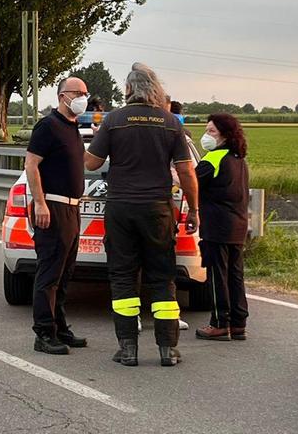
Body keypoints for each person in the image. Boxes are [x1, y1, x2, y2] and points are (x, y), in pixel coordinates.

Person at [85, 63, 199, 367]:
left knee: (122, 278)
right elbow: (186, 172)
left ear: (128, 90)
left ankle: (128, 348)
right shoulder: (170, 122)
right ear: (156, 89)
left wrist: (93, 140)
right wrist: (195, 209)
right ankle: (167, 349)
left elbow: (92, 163)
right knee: (162, 278)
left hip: (121, 208)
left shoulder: (114, 120)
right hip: (157, 209)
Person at [24, 77, 90, 355]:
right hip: (52, 207)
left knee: (64, 274)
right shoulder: (48, 126)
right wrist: (40, 203)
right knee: (49, 273)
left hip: (72, 208)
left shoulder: (72, 127)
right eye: (79, 93)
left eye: (86, 93)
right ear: (63, 96)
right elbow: (31, 164)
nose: (83, 98)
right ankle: (43, 333)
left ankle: (60, 327)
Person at [193, 113, 250, 342]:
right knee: (235, 275)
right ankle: (238, 323)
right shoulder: (239, 159)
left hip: (217, 225)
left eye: (211, 131)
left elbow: (191, 181)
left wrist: (174, 177)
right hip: (237, 225)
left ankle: (219, 323)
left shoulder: (213, 158)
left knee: (217, 275)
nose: (206, 136)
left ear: (225, 134)